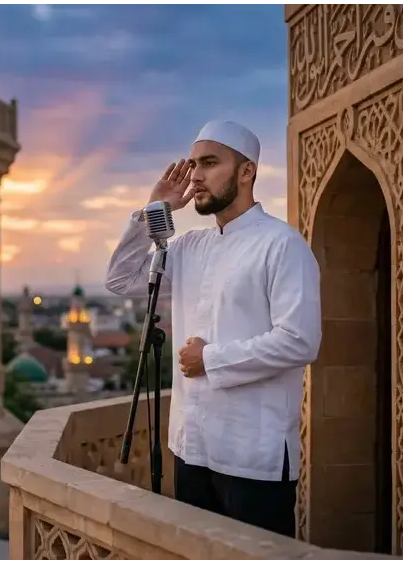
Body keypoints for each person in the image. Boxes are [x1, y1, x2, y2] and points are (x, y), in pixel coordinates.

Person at [105, 120, 321, 538]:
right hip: (191, 449)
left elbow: (299, 341)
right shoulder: (190, 247)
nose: (196, 176)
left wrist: (210, 359)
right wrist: (154, 210)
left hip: (252, 457)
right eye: (192, 165)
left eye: (209, 163)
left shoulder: (281, 245)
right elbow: (120, 280)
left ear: (246, 171)